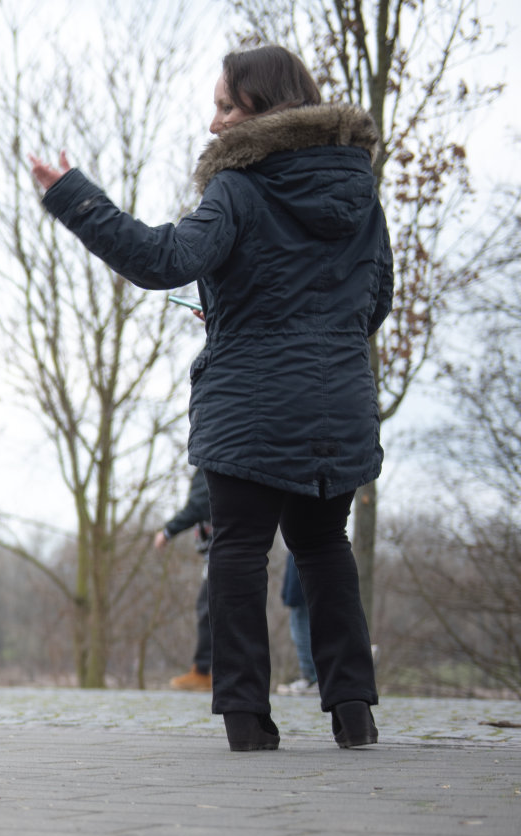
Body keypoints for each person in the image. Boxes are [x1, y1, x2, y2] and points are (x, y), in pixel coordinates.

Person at [29, 45, 389, 751]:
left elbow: (164, 261)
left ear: (263, 110)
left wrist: (73, 194)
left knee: (239, 548)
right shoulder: (359, 193)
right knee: (323, 544)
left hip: (252, 399)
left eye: (227, 105)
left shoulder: (240, 187)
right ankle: (354, 713)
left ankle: (248, 722)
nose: (214, 120)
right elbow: (372, 301)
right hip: (338, 399)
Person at [153, 469, 212, 692]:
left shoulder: (209, 460)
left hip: (222, 550)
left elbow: (198, 505)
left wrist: (168, 531)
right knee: (216, 609)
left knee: (207, 608)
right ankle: (209, 671)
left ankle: (203, 671)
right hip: (229, 547)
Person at [275, 553, 317, 696]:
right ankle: (312, 676)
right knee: (300, 624)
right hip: (306, 565)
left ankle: (311, 676)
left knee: (300, 625)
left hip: (305, 565)